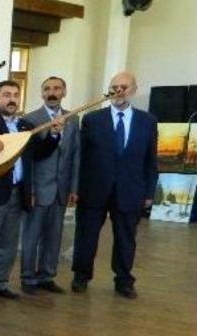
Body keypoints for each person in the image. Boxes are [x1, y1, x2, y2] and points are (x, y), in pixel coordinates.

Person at [0, 80, 62, 303]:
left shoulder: (25, 126)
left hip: (17, 193)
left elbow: (39, 152)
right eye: (6, 94)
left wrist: (54, 135)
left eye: (16, 95)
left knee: (7, 244)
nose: (12, 99)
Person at [71, 72, 158, 299]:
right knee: (86, 235)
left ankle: (123, 280)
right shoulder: (92, 119)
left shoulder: (147, 121)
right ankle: (81, 275)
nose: (119, 91)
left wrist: (149, 192)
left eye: (124, 87)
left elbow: (151, 159)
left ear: (134, 90)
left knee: (125, 237)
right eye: (114, 87)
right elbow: (81, 157)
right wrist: (76, 187)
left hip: (130, 190)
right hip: (94, 189)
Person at [20, 76, 80, 295]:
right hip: (39, 188)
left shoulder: (73, 118)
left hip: (61, 189)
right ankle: (27, 277)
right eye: (47, 89)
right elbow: (29, 160)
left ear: (64, 91)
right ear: (41, 93)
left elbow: (75, 155)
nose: (52, 92)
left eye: (56, 88)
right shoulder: (31, 119)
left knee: (54, 236)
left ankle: (47, 275)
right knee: (31, 236)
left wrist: (74, 188)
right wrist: (31, 191)